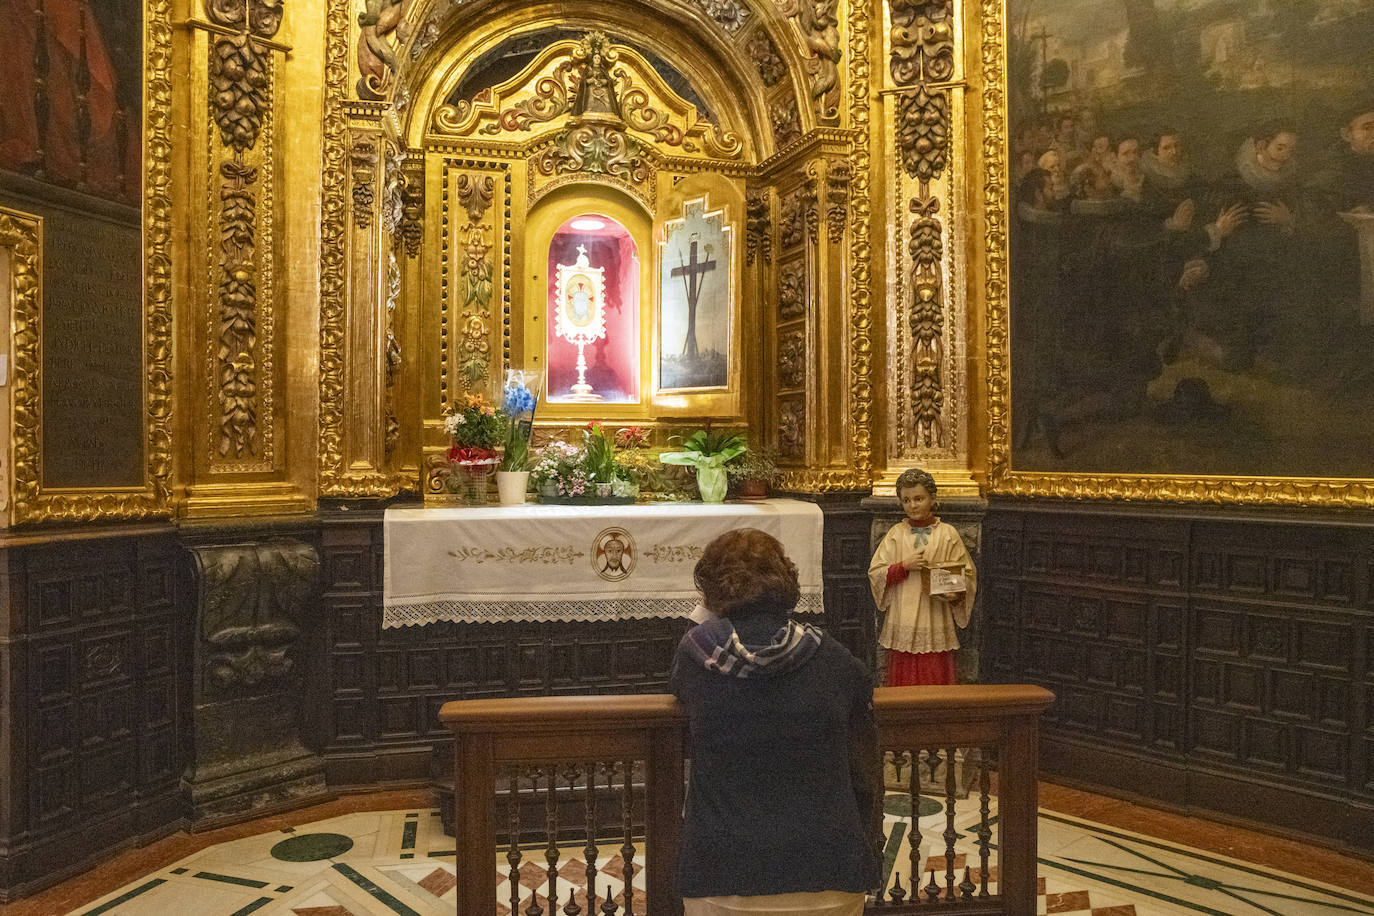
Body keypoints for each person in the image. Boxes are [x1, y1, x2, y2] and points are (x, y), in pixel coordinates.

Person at [670, 529, 880, 915]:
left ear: (710, 590)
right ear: (786, 582)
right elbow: (862, 685)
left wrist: (709, 619)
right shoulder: (828, 654)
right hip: (829, 868)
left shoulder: (697, 653)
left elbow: (681, 687)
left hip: (724, 871)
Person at [868, 470, 977, 686]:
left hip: (935, 613)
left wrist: (955, 593)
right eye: (906, 500)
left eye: (919, 499)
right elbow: (876, 572)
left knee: (934, 673)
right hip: (903, 614)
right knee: (904, 675)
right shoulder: (896, 534)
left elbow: (967, 574)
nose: (913, 505)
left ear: (932, 499)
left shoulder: (947, 534)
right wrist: (902, 566)